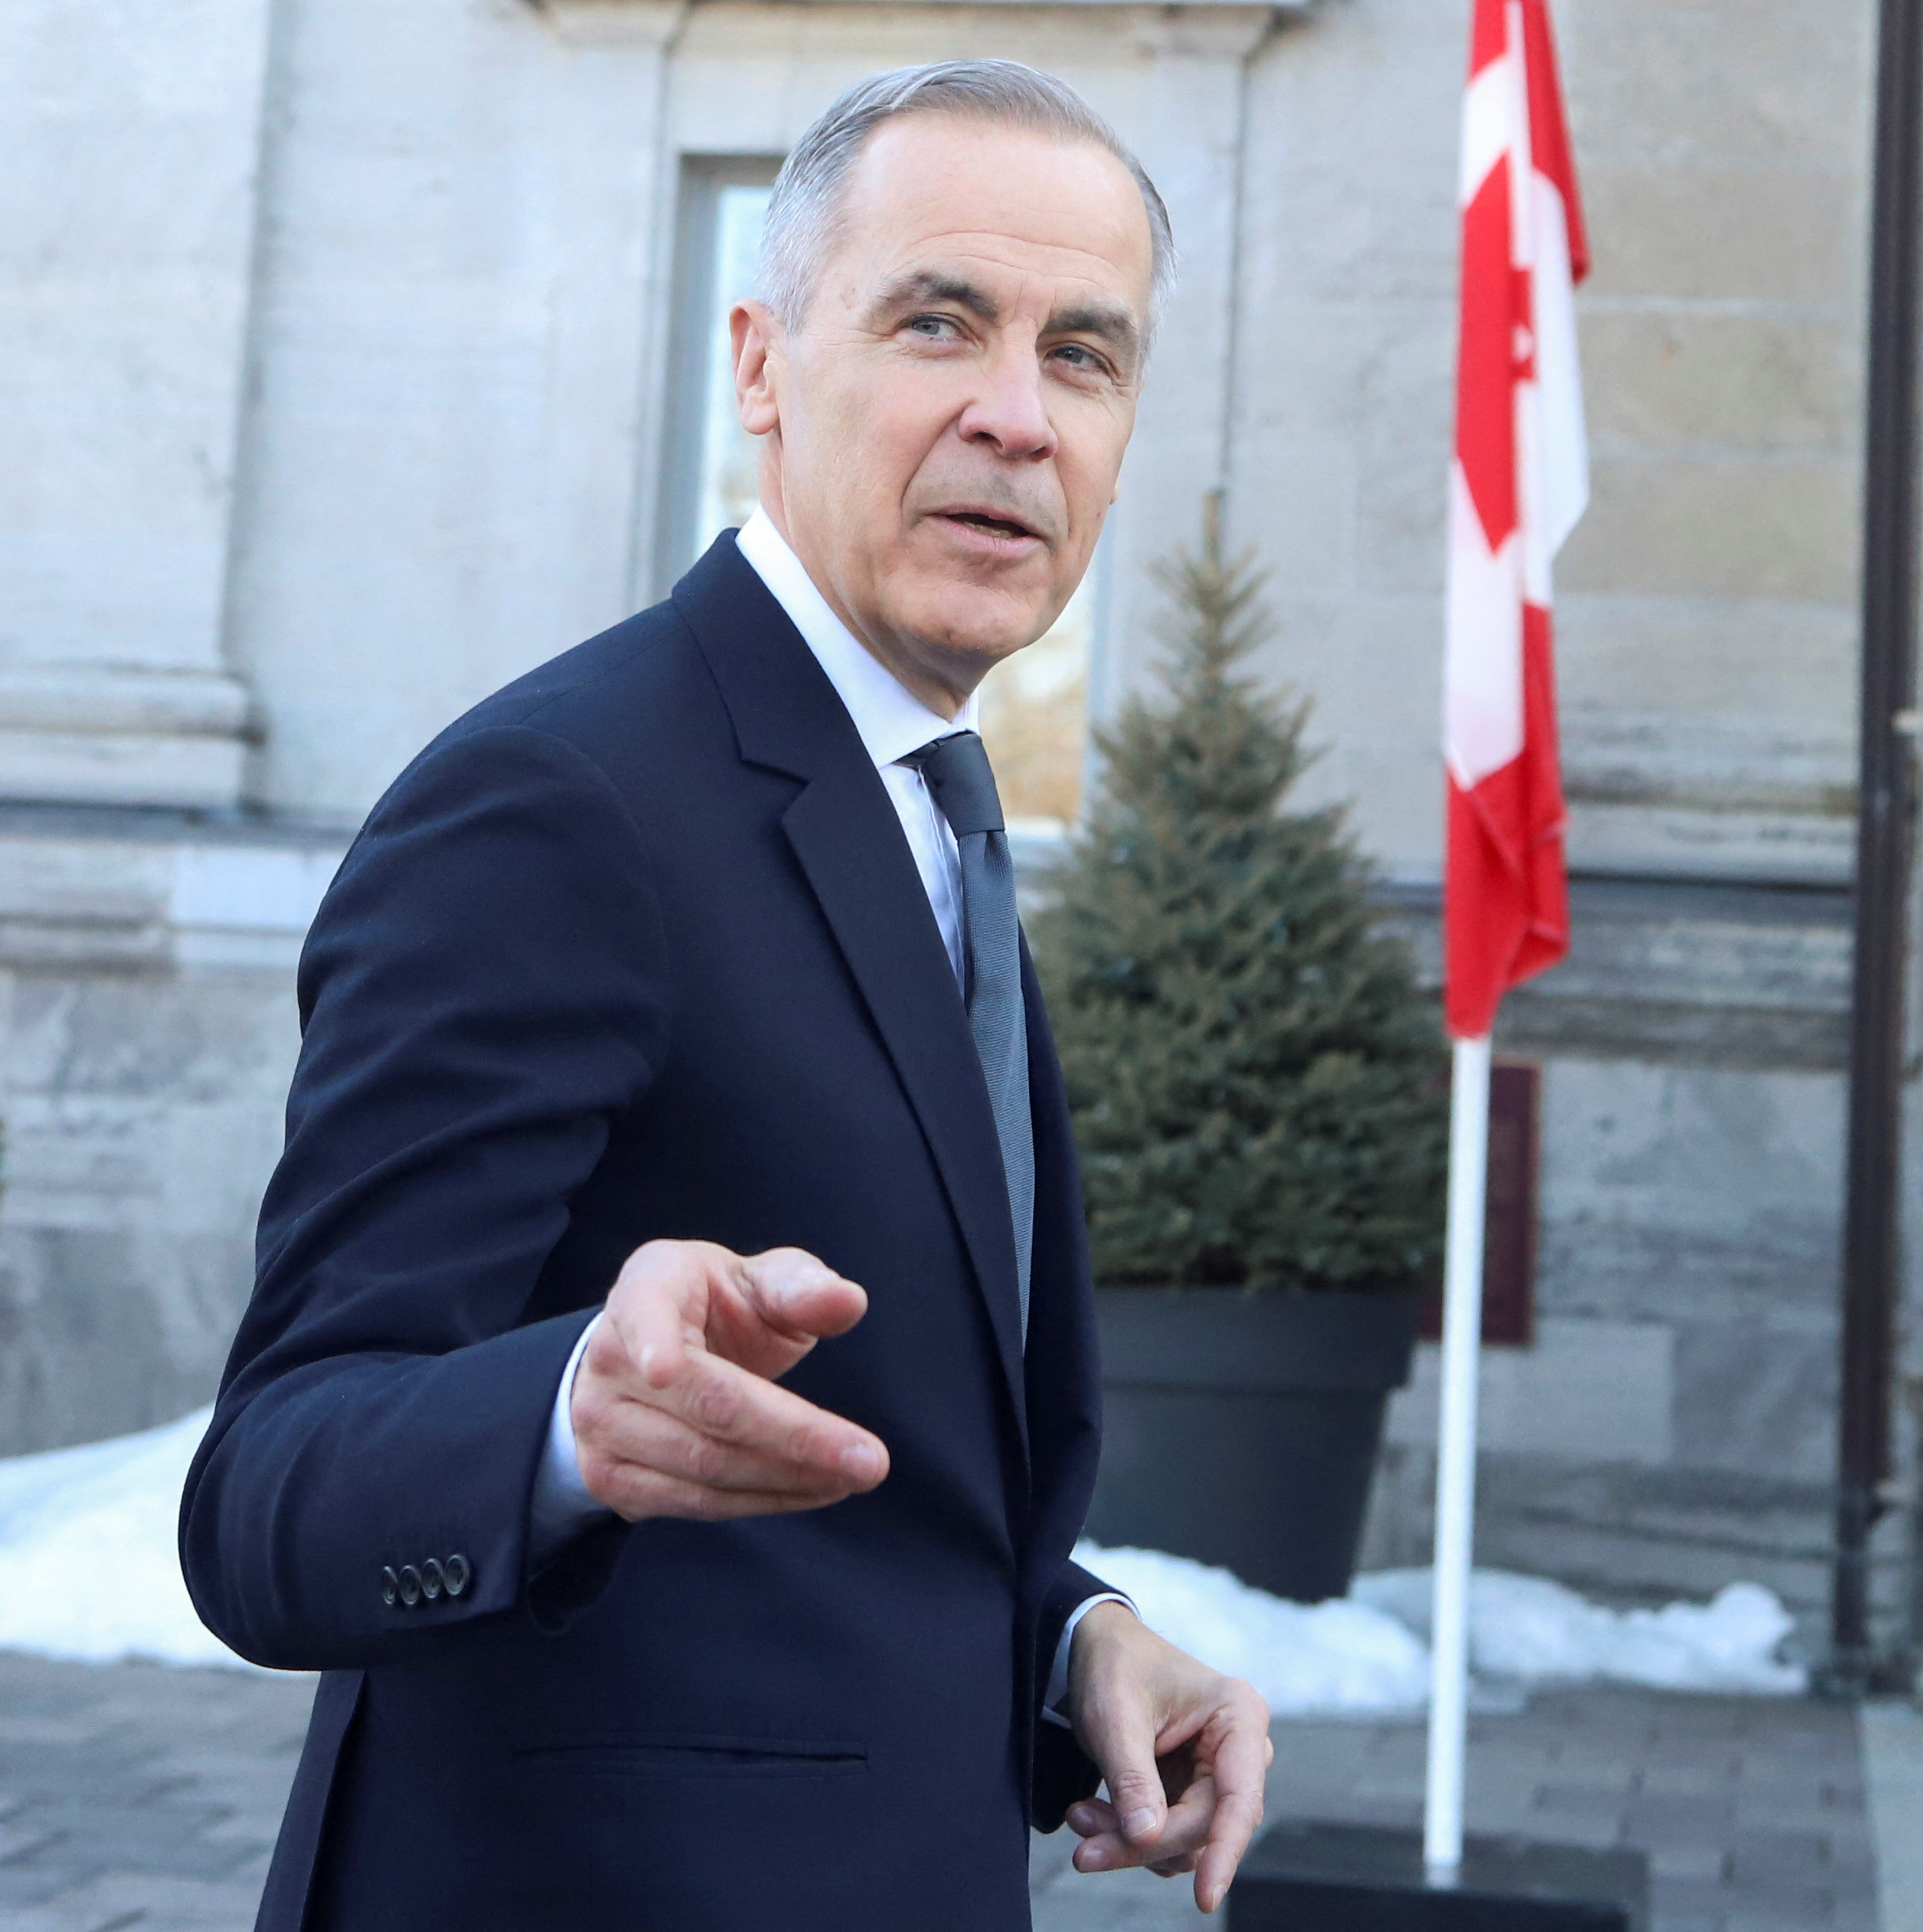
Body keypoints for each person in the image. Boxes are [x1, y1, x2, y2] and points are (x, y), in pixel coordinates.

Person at [177, 58, 1275, 1931]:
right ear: (760, 365)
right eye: (938, 323)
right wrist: (564, 1420)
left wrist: (1069, 1635)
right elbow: (269, 1500)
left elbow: (887, 1483)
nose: (1018, 417)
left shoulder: (928, 800)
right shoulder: (560, 800)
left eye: (1083, 356)